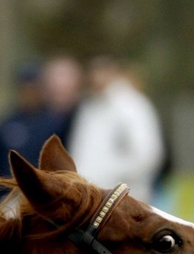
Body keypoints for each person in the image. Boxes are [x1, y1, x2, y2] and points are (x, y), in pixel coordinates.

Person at [67, 55, 165, 202]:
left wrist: (108, 176)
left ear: (112, 71)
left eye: (100, 71)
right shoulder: (88, 107)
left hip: (125, 200)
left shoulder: (132, 105)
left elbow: (148, 155)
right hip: (90, 199)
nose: (95, 77)